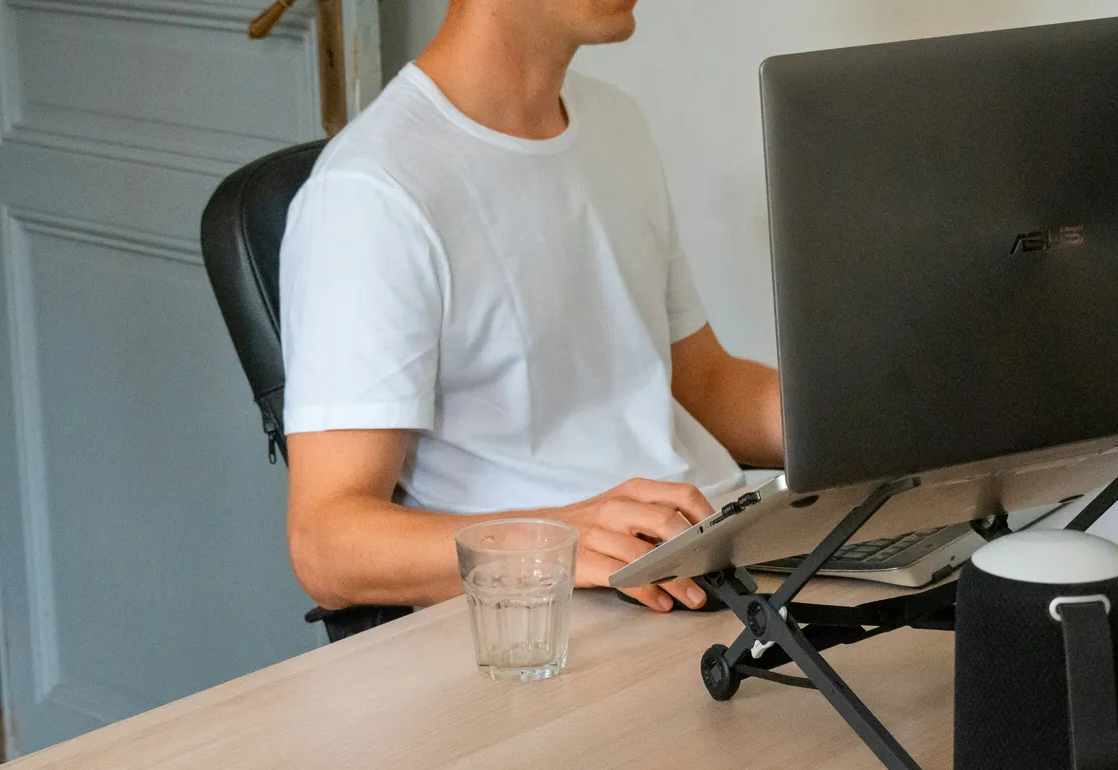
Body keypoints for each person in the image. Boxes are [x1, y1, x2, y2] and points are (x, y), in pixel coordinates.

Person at [279, 0, 783, 615]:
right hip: (557, 614)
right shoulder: (370, 193)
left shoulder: (616, 123)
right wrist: (558, 536)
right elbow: (326, 545)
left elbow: (701, 380)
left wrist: (872, 419)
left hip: (725, 555)